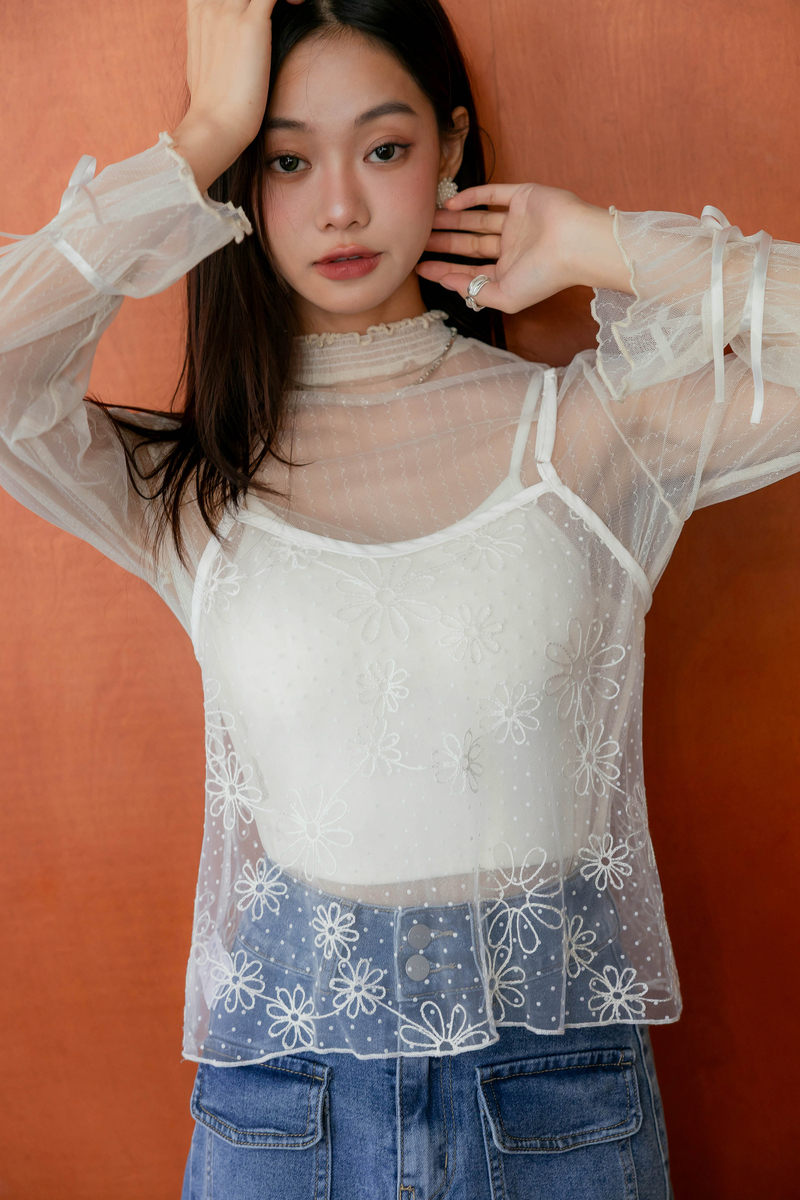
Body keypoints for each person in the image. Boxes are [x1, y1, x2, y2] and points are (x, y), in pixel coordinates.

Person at [1, 0, 796, 1195]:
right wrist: (198, 139)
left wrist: (596, 243)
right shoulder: (184, 485)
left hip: (550, 1090)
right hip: (284, 1105)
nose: (338, 206)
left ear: (451, 145)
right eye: (284, 160)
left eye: (382, 148)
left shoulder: (583, 433)